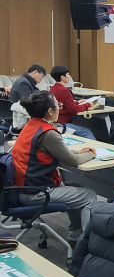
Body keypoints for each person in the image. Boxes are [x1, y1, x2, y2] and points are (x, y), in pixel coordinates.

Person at [11, 91, 97, 244]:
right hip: (37, 193)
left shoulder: (31, 125)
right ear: (50, 111)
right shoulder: (48, 133)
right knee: (88, 195)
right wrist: (91, 154)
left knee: (74, 189)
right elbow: (73, 161)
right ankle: (88, 244)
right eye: (58, 105)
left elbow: (54, 151)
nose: (60, 107)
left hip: (21, 189)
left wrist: (77, 152)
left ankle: (75, 236)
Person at [49, 65, 97, 140]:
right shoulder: (64, 91)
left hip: (56, 122)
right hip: (62, 123)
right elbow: (73, 109)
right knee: (86, 132)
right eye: (68, 74)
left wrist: (77, 102)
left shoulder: (53, 88)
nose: (69, 76)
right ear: (63, 77)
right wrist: (88, 104)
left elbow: (65, 104)